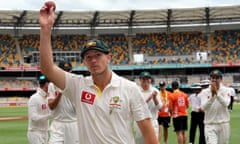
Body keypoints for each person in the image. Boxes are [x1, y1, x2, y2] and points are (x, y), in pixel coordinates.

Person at [39, 3, 158, 144]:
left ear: (108, 58)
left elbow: (146, 129)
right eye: (88, 57)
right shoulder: (78, 85)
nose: (93, 60)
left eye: (98, 55)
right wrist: (46, 30)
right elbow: (48, 69)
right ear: (84, 62)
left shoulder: (129, 88)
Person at [47, 60, 79, 144]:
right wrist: (61, 92)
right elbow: (51, 106)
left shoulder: (76, 84)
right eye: (64, 70)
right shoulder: (52, 85)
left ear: (71, 70)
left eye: (68, 70)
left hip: (72, 123)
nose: (66, 73)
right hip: (58, 124)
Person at [199, 69, 231, 144]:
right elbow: (203, 107)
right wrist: (212, 97)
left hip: (223, 123)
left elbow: (226, 104)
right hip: (210, 124)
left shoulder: (226, 90)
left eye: (217, 78)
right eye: (213, 78)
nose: (215, 80)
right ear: (210, 79)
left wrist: (217, 94)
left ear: (221, 79)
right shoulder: (205, 92)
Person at [134, 71, 163, 144]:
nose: (146, 81)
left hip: (152, 120)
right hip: (140, 121)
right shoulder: (136, 91)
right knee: (140, 142)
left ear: (150, 80)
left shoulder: (155, 91)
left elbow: (160, 108)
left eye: (148, 79)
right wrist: (150, 97)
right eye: (143, 79)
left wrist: (155, 98)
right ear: (140, 80)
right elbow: (138, 106)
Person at [27, 75, 51, 144]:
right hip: (35, 132)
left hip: (45, 132)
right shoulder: (34, 98)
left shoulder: (48, 98)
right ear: (46, 84)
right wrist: (50, 115)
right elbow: (34, 117)